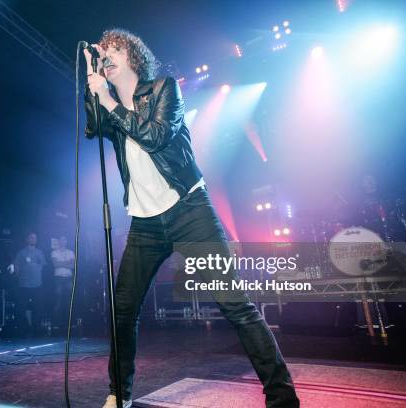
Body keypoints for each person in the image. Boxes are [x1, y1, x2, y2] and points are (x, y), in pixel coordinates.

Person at [83, 29, 299, 408]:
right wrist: (91, 83)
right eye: (105, 52)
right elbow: (93, 126)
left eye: (116, 48)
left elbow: (155, 137)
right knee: (122, 312)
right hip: (145, 223)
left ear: (134, 56)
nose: (109, 55)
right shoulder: (110, 104)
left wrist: (109, 101)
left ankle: (282, 397)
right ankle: (120, 394)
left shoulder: (165, 89)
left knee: (235, 304)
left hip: (189, 210)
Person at [11, 232, 46, 334]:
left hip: (37, 284)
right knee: (21, 307)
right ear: (27, 239)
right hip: (24, 284)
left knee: (38, 307)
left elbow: (43, 265)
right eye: (31, 237)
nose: (34, 239)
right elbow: (16, 266)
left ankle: (37, 328)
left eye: (35, 237)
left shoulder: (40, 252)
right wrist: (20, 277)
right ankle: (22, 328)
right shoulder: (21, 252)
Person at [51, 236, 75, 328]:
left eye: (64, 240)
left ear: (66, 242)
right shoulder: (54, 252)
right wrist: (67, 262)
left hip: (68, 278)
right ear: (59, 242)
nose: (62, 241)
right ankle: (56, 323)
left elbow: (73, 266)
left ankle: (69, 323)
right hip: (58, 278)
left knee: (69, 301)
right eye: (61, 240)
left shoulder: (71, 252)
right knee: (58, 301)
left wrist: (61, 263)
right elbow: (55, 265)